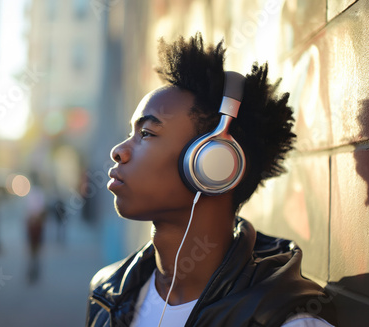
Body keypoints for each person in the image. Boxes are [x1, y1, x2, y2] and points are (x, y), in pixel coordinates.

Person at [85, 33, 337, 327]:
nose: (118, 151)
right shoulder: (107, 293)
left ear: (214, 164)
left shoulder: (285, 320)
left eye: (147, 134)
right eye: (131, 133)